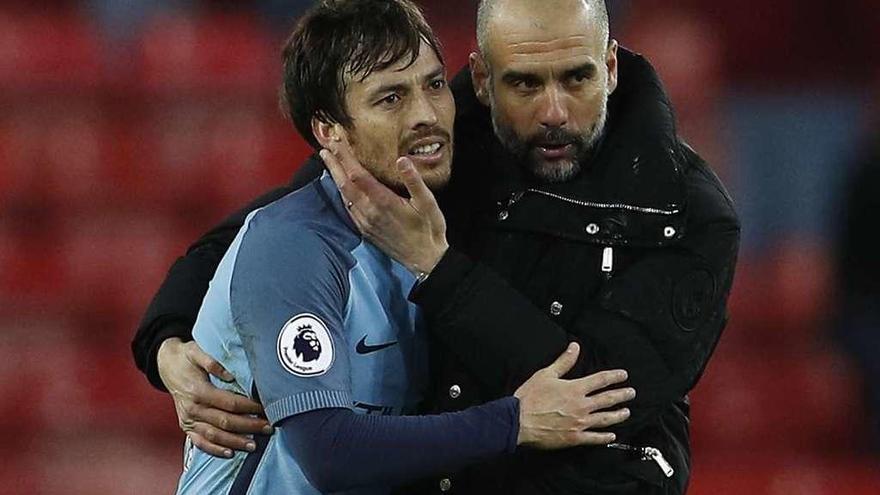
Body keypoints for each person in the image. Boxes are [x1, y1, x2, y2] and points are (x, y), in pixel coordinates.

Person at [134, 0, 740, 493]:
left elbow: (592, 399)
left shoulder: (684, 214)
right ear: (481, 80)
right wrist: (166, 345)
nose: (554, 110)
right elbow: (263, 232)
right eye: (524, 84)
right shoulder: (443, 138)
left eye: (576, 77)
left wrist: (439, 269)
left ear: (610, 66)